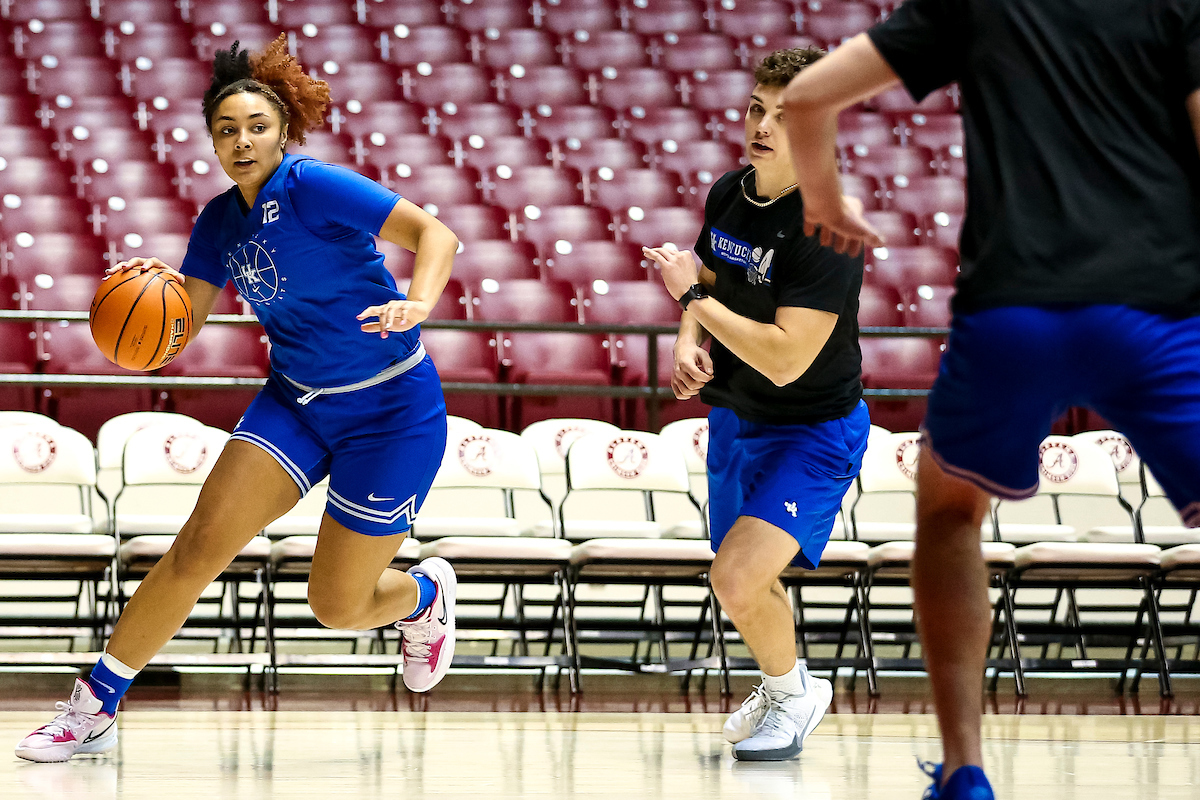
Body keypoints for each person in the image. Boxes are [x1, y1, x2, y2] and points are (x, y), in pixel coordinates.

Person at [782, 1, 1200, 797]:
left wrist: (825, 205)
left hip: (1015, 309)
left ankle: (966, 768)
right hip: (1158, 308)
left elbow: (805, 96)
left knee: (948, 512)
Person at [16, 36, 461, 763]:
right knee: (197, 546)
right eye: (227, 130)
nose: (243, 140)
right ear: (214, 146)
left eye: (257, 126)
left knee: (337, 606)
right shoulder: (218, 223)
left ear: (282, 131)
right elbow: (180, 326)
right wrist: (139, 313)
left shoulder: (314, 185)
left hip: (390, 410)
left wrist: (417, 302)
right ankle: (93, 706)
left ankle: (422, 598)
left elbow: (434, 233)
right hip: (296, 402)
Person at [641, 48, 870, 762]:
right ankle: (784, 687)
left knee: (735, 576)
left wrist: (689, 300)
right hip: (737, 418)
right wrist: (688, 340)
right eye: (757, 109)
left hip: (812, 428)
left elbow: (784, 355)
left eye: (786, 115)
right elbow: (709, 277)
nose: (764, 126)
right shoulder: (729, 192)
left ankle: (794, 693)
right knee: (744, 578)